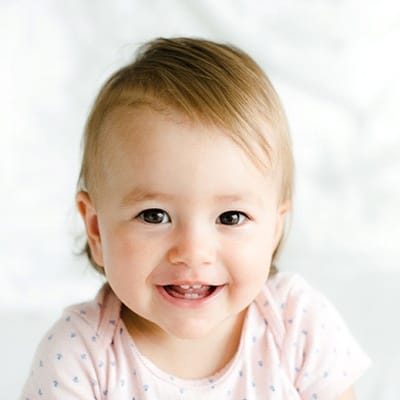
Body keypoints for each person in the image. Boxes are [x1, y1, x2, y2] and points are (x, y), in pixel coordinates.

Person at [21, 37, 370, 399]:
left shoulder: (297, 326)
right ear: (95, 229)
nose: (193, 251)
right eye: (154, 215)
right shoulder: (79, 357)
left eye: (231, 217)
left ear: (275, 228)